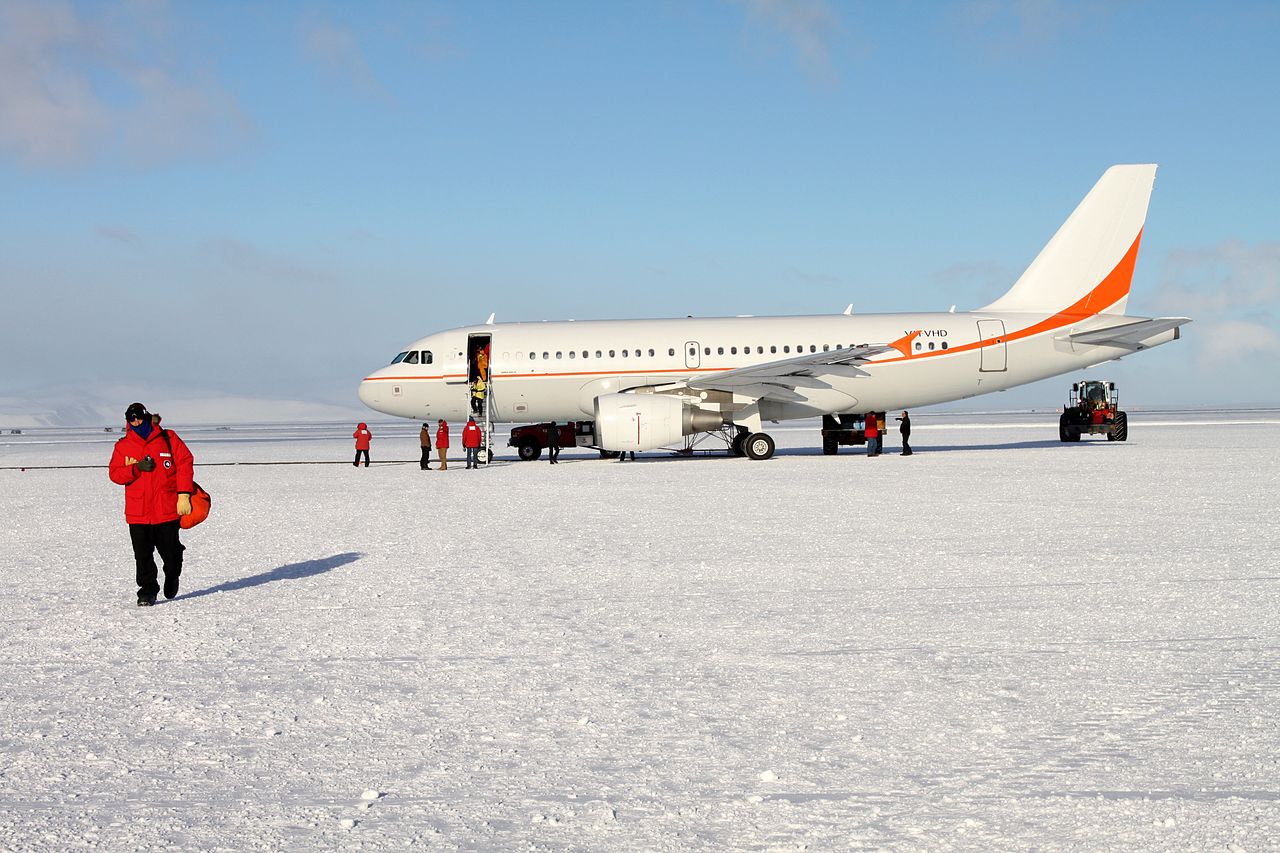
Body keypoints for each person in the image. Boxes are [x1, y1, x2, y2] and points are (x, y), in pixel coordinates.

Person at [108, 402, 195, 606]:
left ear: (146, 416)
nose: (136, 421)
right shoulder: (123, 446)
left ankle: (173, 573)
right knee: (142, 555)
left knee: (170, 552)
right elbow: (115, 474)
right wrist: (136, 468)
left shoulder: (168, 438)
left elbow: (185, 463)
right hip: (138, 511)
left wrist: (184, 493)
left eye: (138, 416)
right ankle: (147, 591)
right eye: (131, 418)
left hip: (165, 509)